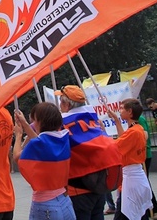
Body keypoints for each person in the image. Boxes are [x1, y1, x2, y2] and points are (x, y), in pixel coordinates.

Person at [57, 86, 121, 220]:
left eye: (61, 102)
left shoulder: (62, 126)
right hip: (98, 185)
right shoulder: (93, 120)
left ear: (67, 104)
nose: (59, 105)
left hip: (77, 189)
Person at [12, 103, 74, 220]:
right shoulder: (63, 137)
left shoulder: (38, 144)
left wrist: (19, 135)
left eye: (34, 120)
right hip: (65, 201)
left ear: (40, 122)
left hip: (46, 206)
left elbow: (17, 157)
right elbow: (41, 142)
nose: (33, 123)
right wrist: (25, 124)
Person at [107, 100, 151, 220]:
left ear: (130, 112)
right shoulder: (137, 129)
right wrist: (116, 120)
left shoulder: (133, 132)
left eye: (122, 108)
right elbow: (123, 140)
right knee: (138, 213)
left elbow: (115, 147)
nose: (119, 111)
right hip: (133, 177)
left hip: (131, 179)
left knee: (127, 213)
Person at [135, 114, 157, 220]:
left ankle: (155, 209)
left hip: (143, 155)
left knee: (144, 183)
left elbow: (144, 136)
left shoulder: (139, 119)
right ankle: (145, 209)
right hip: (136, 156)